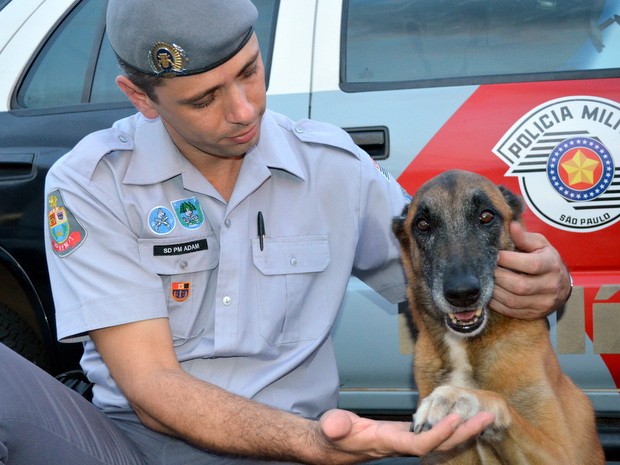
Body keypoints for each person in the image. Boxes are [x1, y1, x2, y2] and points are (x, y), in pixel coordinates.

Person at [0, 0, 572, 464]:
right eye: (204, 98)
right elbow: (150, 388)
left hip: (294, 450)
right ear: (140, 98)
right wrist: (316, 442)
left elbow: (450, 282)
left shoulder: (334, 167)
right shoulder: (91, 182)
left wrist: (543, 284)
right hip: (138, 446)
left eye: (249, 71)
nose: (245, 110)